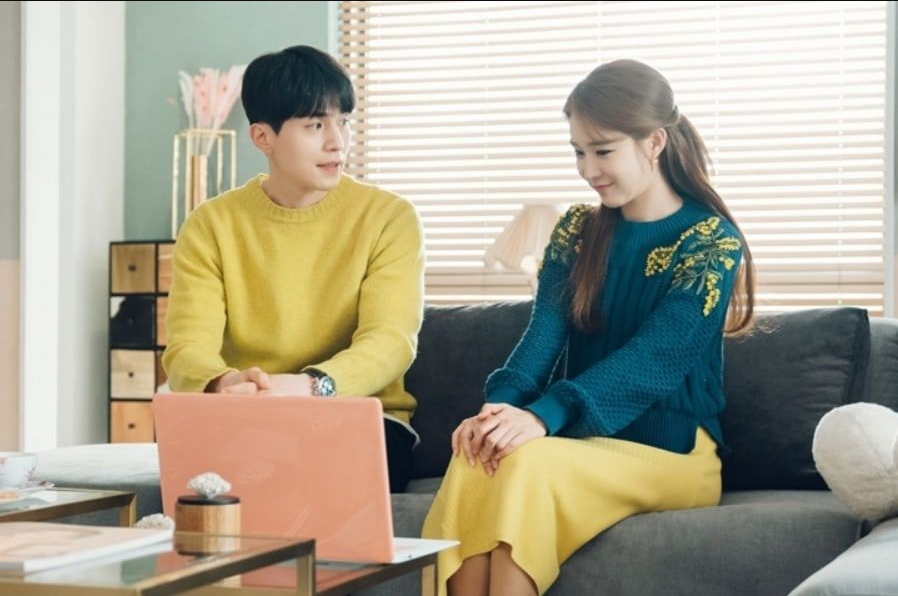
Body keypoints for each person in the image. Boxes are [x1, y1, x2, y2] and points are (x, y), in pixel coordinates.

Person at [421, 59, 756, 596]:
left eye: (602, 151)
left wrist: (544, 416)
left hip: (671, 453)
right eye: (578, 151)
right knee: (476, 459)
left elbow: (655, 358)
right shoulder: (576, 230)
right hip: (585, 441)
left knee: (528, 467)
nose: (587, 169)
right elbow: (542, 335)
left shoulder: (710, 242)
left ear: (654, 141)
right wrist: (497, 413)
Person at [162, 45, 425, 493]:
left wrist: (309, 387)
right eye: (315, 125)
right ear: (263, 138)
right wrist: (224, 383)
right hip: (247, 416)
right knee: (215, 466)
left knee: (296, 463)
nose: (337, 142)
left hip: (360, 417)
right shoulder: (211, 225)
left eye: (343, 121)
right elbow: (187, 348)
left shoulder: (389, 218)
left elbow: (390, 342)